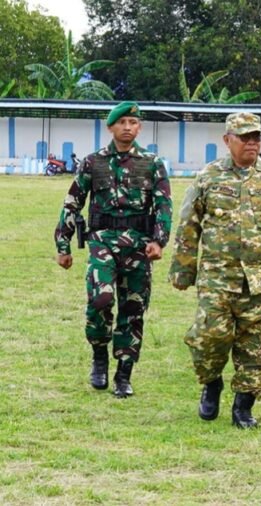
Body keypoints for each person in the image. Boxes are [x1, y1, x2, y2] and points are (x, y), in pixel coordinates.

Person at [169, 112, 261, 429]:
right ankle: (211, 383)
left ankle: (243, 406)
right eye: (244, 137)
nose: (251, 143)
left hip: (260, 281)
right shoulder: (208, 177)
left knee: (258, 347)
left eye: (255, 138)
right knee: (209, 338)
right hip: (217, 279)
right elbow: (188, 224)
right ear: (227, 140)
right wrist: (183, 270)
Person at [54, 101, 173, 398]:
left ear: (139, 128)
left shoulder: (152, 163)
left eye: (133, 123)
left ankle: (123, 374)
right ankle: (99, 356)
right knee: (101, 299)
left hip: (138, 246)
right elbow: (72, 203)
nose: (127, 127)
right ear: (111, 127)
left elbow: (163, 205)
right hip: (102, 242)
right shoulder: (93, 162)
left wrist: (159, 240)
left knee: (133, 309)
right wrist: (63, 245)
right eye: (122, 123)